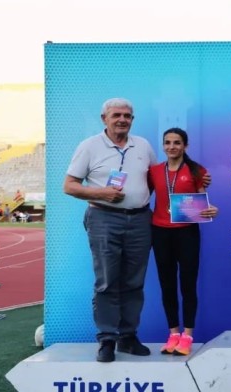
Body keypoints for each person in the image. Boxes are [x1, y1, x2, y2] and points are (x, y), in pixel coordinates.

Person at [63, 98, 157, 363]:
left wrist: (197, 179)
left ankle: (128, 337)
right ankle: (107, 339)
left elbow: (155, 180)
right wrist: (101, 193)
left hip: (140, 220)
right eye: (116, 115)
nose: (122, 120)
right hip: (104, 218)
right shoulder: (89, 146)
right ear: (104, 118)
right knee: (107, 281)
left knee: (134, 281)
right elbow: (69, 185)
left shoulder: (143, 145)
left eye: (127, 116)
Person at [148, 128, 218, 356]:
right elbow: (141, 195)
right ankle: (173, 334)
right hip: (160, 232)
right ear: (163, 145)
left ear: (185, 146)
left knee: (188, 284)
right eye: (167, 142)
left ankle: (187, 335)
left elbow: (202, 202)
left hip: (187, 233)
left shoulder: (197, 170)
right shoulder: (154, 171)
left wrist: (211, 210)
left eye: (177, 142)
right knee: (167, 285)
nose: (172, 147)